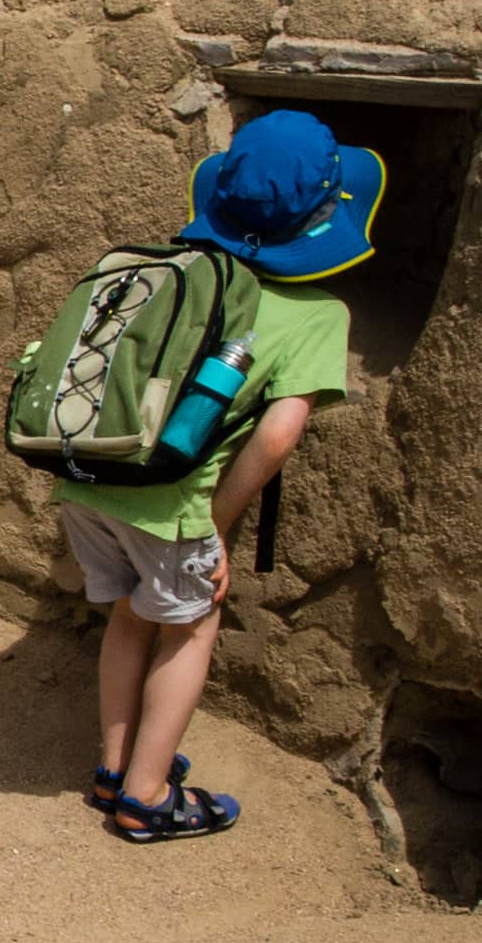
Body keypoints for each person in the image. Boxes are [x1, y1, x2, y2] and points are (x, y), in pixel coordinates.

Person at [56, 109, 375, 843]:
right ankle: (145, 796)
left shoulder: (177, 271)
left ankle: (113, 767)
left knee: (130, 616)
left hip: (89, 481)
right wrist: (216, 527)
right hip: (173, 504)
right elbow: (280, 430)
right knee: (190, 626)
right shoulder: (317, 311)